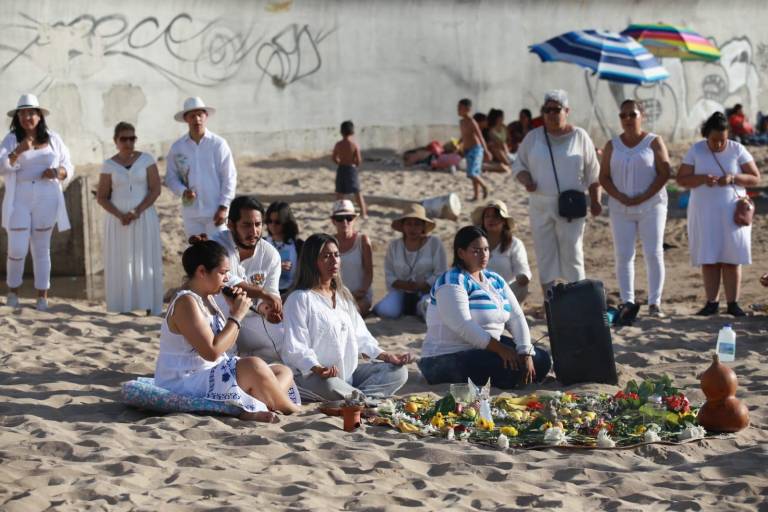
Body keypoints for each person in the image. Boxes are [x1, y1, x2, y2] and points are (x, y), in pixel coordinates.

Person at [155, 237, 301, 422]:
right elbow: (211, 352)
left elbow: (226, 344)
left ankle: (255, 405)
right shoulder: (186, 302)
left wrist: (233, 311)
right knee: (254, 365)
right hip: (186, 378)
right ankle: (291, 409)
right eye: (223, 273)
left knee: (282, 371)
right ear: (202, 271)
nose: (227, 280)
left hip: (211, 371)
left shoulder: (207, 298)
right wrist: (237, 316)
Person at [280, 233, 411, 401]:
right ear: (312, 261)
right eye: (326, 256)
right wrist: (318, 368)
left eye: (336, 255)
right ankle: (359, 398)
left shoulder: (343, 296)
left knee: (398, 372)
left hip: (347, 375)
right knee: (331, 385)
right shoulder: (300, 298)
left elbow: (361, 337)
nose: (334, 261)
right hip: (313, 377)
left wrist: (386, 356)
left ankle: (358, 398)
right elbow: (295, 348)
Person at [418, 226, 551, 388]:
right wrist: (501, 350)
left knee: (541, 359)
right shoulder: (451, 281)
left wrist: (525, 351)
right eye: (476, 250)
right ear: (461, 253)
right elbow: (463, 325)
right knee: (507, 367)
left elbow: (516, 317)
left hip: (487, 349)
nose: (483, 255)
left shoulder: (494, 279)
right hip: (446, 357)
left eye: (486, 249)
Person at [512, 89, 601, 291]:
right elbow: (518, 166)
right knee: (545, 252)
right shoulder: (533, 138)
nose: (551, 114)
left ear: (566, 110)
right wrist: (526, 180)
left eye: (556, 109)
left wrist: (596, 201)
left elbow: (593, 172)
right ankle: (550, 300)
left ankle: (577, 295)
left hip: (571, 205)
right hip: (540, 204)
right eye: (547, 109)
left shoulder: (580, 136)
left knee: (572, 251)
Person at [677, 112, 761, 317]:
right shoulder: (696, 150)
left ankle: (733, 303)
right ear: (707, 135)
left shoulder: (737, 149)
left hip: (733, 212)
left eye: (722, 140)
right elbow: (682, 179)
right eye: (714, 140)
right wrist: (703, 178)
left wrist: (733, 178)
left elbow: (755, 178)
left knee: (732, 258)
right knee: (710, 257)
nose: (718, 144)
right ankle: (711, 303)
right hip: (704, 211)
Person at [599, 100, 672, 319]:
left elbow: (665, 172)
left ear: (643, 116)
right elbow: (603, 176)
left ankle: (654, 302)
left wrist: (644, 195)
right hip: (621, 207)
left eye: (633, 114)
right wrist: (619, 195)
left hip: (651, 204)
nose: (628, 120)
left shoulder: (653, 142)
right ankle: (627, 301)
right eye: (624, 116)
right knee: (624, 254)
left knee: (653, 252)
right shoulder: (612, 145)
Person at [1, 94, 73, 311]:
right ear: (17, 117)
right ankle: (13, 291)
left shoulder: (53, 138)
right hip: (20, 197)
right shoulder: (11, 139)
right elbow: (1, 165)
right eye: (22, 113)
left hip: (46, 196)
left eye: (31, 113)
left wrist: (58, 172)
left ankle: (42, 296)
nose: (27, 117)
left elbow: (68, 165)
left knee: (42, 248)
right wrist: (18, 151)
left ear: (39, 116)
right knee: (17, 246)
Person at [96, 122, 163, 315]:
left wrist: (138, 211)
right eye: (123, 139)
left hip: (144, 216)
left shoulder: (147, 160)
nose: (128, 142)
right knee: (122, 260)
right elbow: (102, 197)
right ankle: (122, 306)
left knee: (146, 259)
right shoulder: (108, 165)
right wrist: (120, 215)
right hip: (118, 220)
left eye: (132, 138)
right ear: (115, 141)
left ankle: (151, 305)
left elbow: (155, 189)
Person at [211, 196, 284, 362]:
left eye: (258, 225)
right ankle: (233, 360)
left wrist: (268, 310)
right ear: (230, 225)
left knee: (284, 338)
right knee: (225, 295)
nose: (254, 231)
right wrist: (263, 293)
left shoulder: (270, 254)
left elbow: (271, 295)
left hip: (251, 320)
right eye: (246, 225)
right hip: (219, 320)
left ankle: (248, 361)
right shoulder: (217, 244)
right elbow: (228, 282)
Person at [164, 97, 237, 238]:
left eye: (200, 115)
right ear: (186, 119)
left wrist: (223, 206)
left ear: (206, 116)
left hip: (216, 210)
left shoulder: (218, 144)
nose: (197, 119)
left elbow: (229, 177)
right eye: (192, 115)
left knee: (218, 254)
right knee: (197, 255)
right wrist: (183, 191)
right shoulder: (177, 147)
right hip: (191, 213)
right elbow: (171, 177)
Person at [373, 204, 447, 319]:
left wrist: (424, 284)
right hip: (401, 292)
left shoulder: (435, 244)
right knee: (387, 312)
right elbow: (389, 274)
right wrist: (405, 285)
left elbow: (441, 272)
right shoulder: (394, 246)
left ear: (423, 226)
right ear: (402, 226)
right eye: (408, 224)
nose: (412, 228)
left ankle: (419, 309)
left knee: (430, 309)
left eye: (417, 224)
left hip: (428, 292)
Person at [471, 199, 532, 304]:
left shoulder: (515, 244)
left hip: (505, 294)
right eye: (487, 216)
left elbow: (522, 269)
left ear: (504, 221)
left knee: (522, 287)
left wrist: (523, 277)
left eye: (496, 216)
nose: (491, 219)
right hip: (478, 293)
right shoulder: (473, 243)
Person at [331, 199, 373, 315]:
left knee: (352, 312)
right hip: (336, 295)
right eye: (340, 218)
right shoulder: (329, 243)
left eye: (349, 218)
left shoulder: (363, 241)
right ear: (333, 221)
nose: (345, 222)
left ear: (354, 219)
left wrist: (362, 291)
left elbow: (369, 272)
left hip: (360, 296)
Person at [265, 201, 304, 295]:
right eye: (269, 221)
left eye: (277, 222)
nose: (273, 225)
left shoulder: (298, 245)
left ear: (286, 223)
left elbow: (303, 274)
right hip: (266, 294)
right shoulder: (261, 243)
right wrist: (276, 267)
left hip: (291, 293)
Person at [332, 120, 367, 218]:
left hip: (341, 168)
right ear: (352, 132)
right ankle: (363, 212)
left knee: (339, 193)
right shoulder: (354, 145)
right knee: (357, 192)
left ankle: (337, 211)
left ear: (341, 132)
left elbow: (334, 158)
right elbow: (358, 160)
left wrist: (339, 162)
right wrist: (354, 164)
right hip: (351, 169)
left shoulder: (338, 144)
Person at [458, 98, 491, 201]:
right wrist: (459, 144)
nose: (458, 110)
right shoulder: (461, 122)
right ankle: (476, 195)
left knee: (472, 173)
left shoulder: (472, 121)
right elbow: (464, 135)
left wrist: (486, 151)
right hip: (468, 150)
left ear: (467, 109)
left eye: (460, 108)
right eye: (457, 108)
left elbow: (480, 136)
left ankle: (485, 186)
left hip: (476, 149)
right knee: (474, 174)